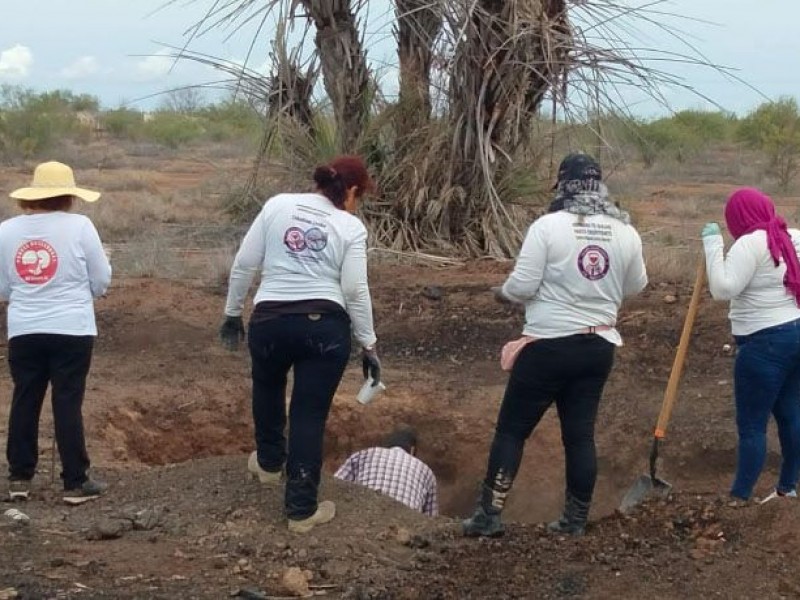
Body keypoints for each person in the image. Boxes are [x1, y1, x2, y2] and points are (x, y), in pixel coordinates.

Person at [462, 153, 648, 538]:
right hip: (598, 346)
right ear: (599, 186)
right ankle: (574, 520)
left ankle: (488, 515)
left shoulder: (548, 226)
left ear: (563, 185)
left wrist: (504, 293)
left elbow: (524, 285)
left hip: (548, 346)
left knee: (512, 431)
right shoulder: (625, 231)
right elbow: (636, 286)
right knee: (579, 435)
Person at [220, 155, 381, 534]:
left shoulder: (277, 205)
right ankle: (301, 510)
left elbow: (245, 262)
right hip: (324, 329)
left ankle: (269, 464)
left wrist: (231, 313)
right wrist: (369, 345)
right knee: (309, 414)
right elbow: (355, 290)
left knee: (268, 386)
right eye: (361, 196)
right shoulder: (350, 227)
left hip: (269, 321)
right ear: (352, 191)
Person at [0, 161, 112, 505]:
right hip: (72, 329)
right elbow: (101, 281)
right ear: (68, 195)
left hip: (25, 329)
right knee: (67, 401)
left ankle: (19, 477)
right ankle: (75, 481)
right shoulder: (81, 226)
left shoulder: (6, 230)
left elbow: (4, 288)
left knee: (25, 397)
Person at [702, 187, 800, 504]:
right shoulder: (793, 237)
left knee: (752, 425)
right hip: (796, 334)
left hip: (763, 345)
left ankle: (739, 497)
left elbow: (723, 288)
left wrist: (712, 245)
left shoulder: (750, 242)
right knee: (791, 415)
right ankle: (788, 488)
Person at [334, 424, 438, 516]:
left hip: (361, 519)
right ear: (412, 449)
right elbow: (432, 521)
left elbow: (334, 485)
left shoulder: (365, 454)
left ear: (387, 444)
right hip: (404, 530)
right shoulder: (427, 472)